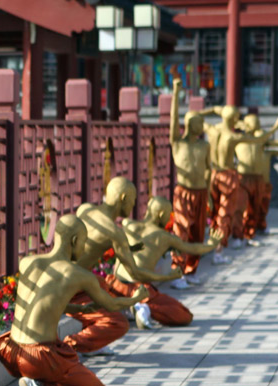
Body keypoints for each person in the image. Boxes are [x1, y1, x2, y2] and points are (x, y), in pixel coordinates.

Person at [0, 215, 146, 386]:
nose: (84, 249)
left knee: (62, 358)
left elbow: (41, 300)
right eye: (84, 242)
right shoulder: (77, 274)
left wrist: (78, 309)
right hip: (39, 357)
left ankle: (36, 380)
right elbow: (111, 304)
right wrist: (137, 298)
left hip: (9, 350)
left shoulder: (28, 262)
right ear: (75, 241)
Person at [67, 177, 180, 357]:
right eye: (133, 200)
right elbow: (135, 272)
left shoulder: (85, 209)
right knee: (118, 323)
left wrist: (127, 248)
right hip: (71, 287)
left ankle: (94, 345)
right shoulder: (114, 232)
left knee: (101, 283)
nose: (134, 205)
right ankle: (66, 349)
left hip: (60, 274)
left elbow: (89, 244)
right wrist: (169, 276)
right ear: (123, 198)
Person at [106, 197, 223, 329]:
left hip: (113, 283)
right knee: (184, 315)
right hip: (139, 289)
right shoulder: (164, 237)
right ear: (161, 215)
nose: (168, 218)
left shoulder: (128, 224)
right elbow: (192, 248)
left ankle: (127, 308)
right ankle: (141, 307)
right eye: (168, 214)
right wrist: (211, 244)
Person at [200, 103, 278, 260]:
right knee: (225, 213)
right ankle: (219, 250)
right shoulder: (233, 136)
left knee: (214, 211)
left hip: (213, 174)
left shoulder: (211, 129)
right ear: (234, 120)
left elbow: (193, 115)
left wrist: (209, 110)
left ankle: (213, 244)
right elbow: (259, 139)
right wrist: (275, 127)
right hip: (228, 175)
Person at [169, 78, 211, 287]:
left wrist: (210, 196)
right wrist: (176, 93)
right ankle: (177, 270)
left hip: (201, 191)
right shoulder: (177, 143)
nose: (202, 126)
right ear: (189, 124)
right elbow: (174, 118)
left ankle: (191, 270)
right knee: (181, 231)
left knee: (197, 232)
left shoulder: (204, 145)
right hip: (184, 192)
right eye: (199, 122)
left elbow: (209, 170)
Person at [236, 114, 277, 242]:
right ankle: (240, 233)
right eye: (253, 122)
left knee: (257, 204)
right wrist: (275, 127)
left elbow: (271, 144)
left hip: (258, 177)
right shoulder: (239, 139)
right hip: (244, 177)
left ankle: (254, 230)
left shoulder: (261, 140)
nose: (256, 124)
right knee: (243, 206)